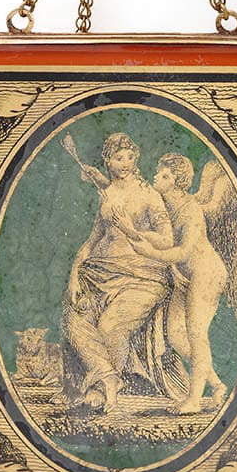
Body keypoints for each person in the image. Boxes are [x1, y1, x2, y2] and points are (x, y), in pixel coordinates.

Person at [62, 132, 181, 411]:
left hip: (144, 277)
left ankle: (102, 386)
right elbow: (93, 240)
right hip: (103, 274)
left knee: (110, 326)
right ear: (107, 161)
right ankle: (107, 379)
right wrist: (73, 275)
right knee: (74, 313)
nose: (125, 163)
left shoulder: (149, 195)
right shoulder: (108, 195)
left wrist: (132, 230)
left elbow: (167, 240)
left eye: (130, 157)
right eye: (118, 158)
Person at [112, 153, 231, 417]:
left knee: (196, 333)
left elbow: (183, 251)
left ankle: (195, 400)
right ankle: (217, 385)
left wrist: (150, 253)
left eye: (164, 175)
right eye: (159, 172)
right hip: (185, 276)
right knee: (176, 335)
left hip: (206, 274)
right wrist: (135, 234)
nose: (156, 177)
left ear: (176, 182)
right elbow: (163, 237)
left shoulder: (191, 210)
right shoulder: (164, 203)